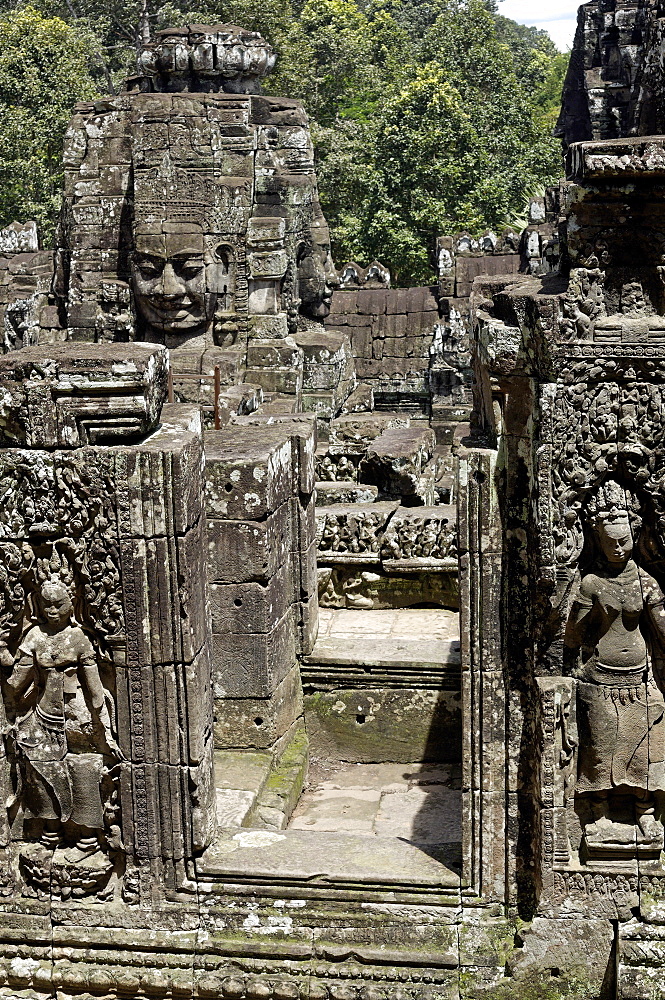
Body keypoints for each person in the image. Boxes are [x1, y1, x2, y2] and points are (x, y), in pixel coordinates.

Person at [565, 480, 665, 851]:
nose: (619, 548)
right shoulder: (591, 583)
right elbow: (573, 635)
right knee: (600, 749)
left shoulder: (645, 582)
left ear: (634, 536)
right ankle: (599, 814)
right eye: (611, 542)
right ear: (598, 538)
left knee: (646, 745)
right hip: (599, 680)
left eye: (624, 541)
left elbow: (662, 627)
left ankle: (645, 811)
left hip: (639, 681)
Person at [5, 578, 122, 859]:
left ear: (72, 604)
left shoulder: (79, 639)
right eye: (46, 605)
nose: (52, 611)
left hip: (77, 715)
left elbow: (95, 690)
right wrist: (5, 656)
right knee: (40, 768)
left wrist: (104, 726)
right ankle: (50, 829)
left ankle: (88, 835)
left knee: (83, 767)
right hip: (43, 713)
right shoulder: (34, 636)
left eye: (59, 604)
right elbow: (15, 684)